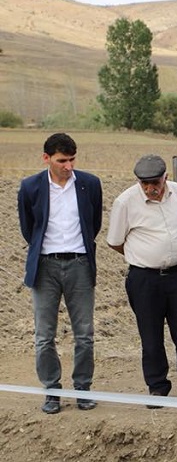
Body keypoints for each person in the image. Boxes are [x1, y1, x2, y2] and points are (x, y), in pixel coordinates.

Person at [107, 155, 177, 407]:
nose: (149, 188)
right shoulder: (125, 202)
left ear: (166, 177)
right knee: (151, 335)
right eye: (143, 183)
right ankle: (157, 387)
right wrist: (143, 256)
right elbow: (115, 241)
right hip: (145, 280)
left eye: (154, 182)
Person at [18, 132, 102, 415]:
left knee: (85, 334)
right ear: (47, 159)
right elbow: (29, 229)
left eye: (72, 159)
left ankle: (82, 389)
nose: (68, 166)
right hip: (45, 266)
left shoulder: (90, 184)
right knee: (44, 335)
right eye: (62, 160)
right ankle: (52, 391)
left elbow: (95, 224)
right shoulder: (30, 187)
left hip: (79, 263)